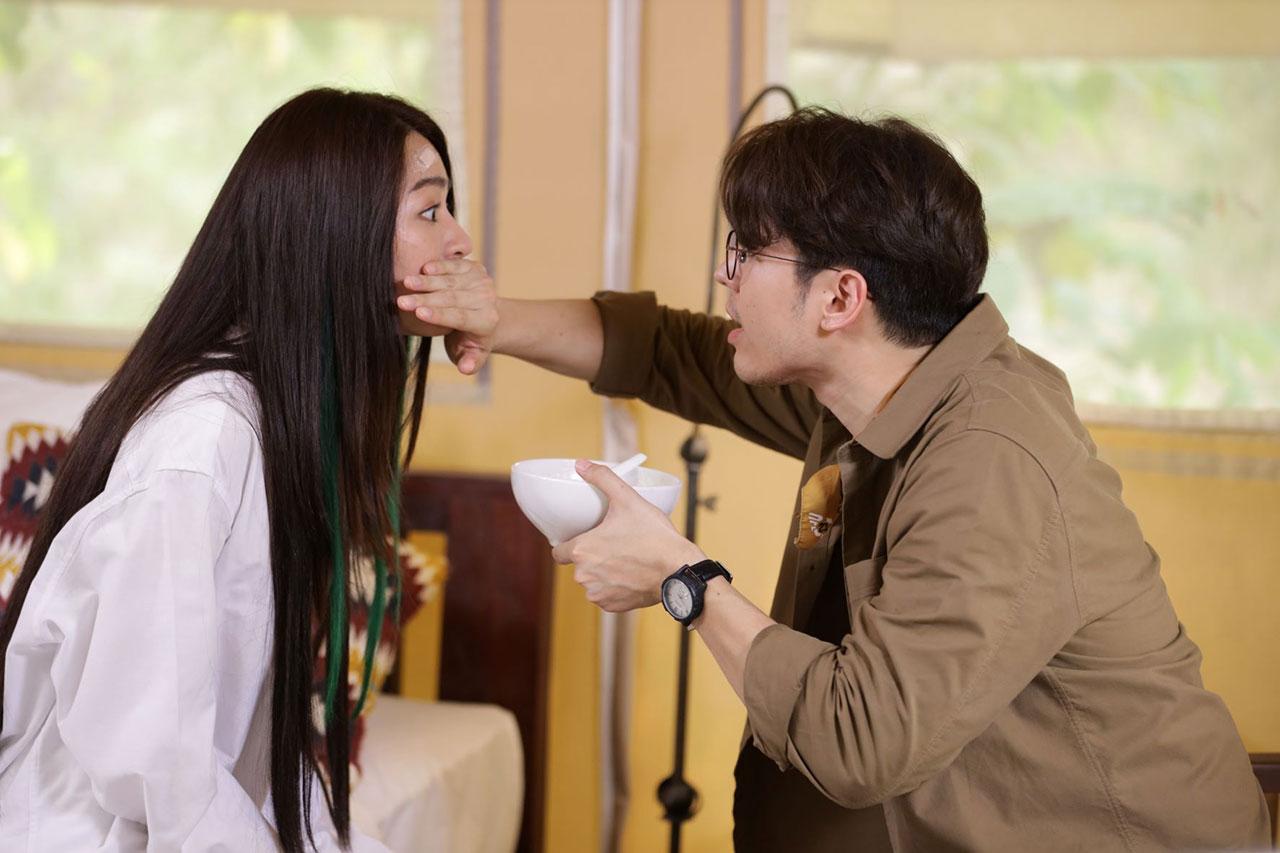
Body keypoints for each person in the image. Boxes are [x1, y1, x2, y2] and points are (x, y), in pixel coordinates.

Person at [400, 108, 1271, 850]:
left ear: (841, 299)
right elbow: (671, 352)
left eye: (746, 252)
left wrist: (683, 580)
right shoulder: (875, 385)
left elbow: (864, 740)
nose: (724, 276)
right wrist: (491, 320)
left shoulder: (988, 459)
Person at [0, 88, 495, 851]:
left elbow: (256, 751)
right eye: (431, 210)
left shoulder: (281, 424)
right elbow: (151, 759)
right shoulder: (202, 443)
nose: (461, 240)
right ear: (335, 233)